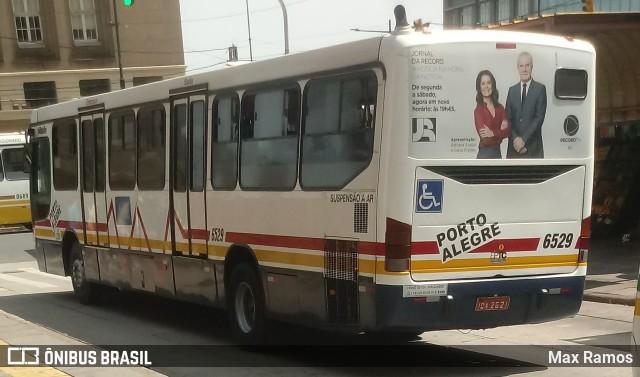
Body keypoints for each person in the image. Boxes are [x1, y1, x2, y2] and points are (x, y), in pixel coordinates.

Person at [505, 51, 547, 158]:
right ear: (518, 68)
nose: (524, 69)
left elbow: (539, 119)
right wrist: (516, 140)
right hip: (513, 150)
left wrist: (523, 140)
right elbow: (507, 119)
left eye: (527, 65)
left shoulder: (540, 89)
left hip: (533, 150)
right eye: (521, 66)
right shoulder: (512, 91)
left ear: (532, 67)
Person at [473, 70, 510, 159]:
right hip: (484, 155)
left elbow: (508, 132)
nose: (486, 86)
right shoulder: (478, 111)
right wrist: (500, 132)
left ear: (493, 85)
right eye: (483, 83)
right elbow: (485, 140)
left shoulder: (500, 108)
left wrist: (492, 133)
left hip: (498, 154)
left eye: (489, 83)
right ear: (479, 88)